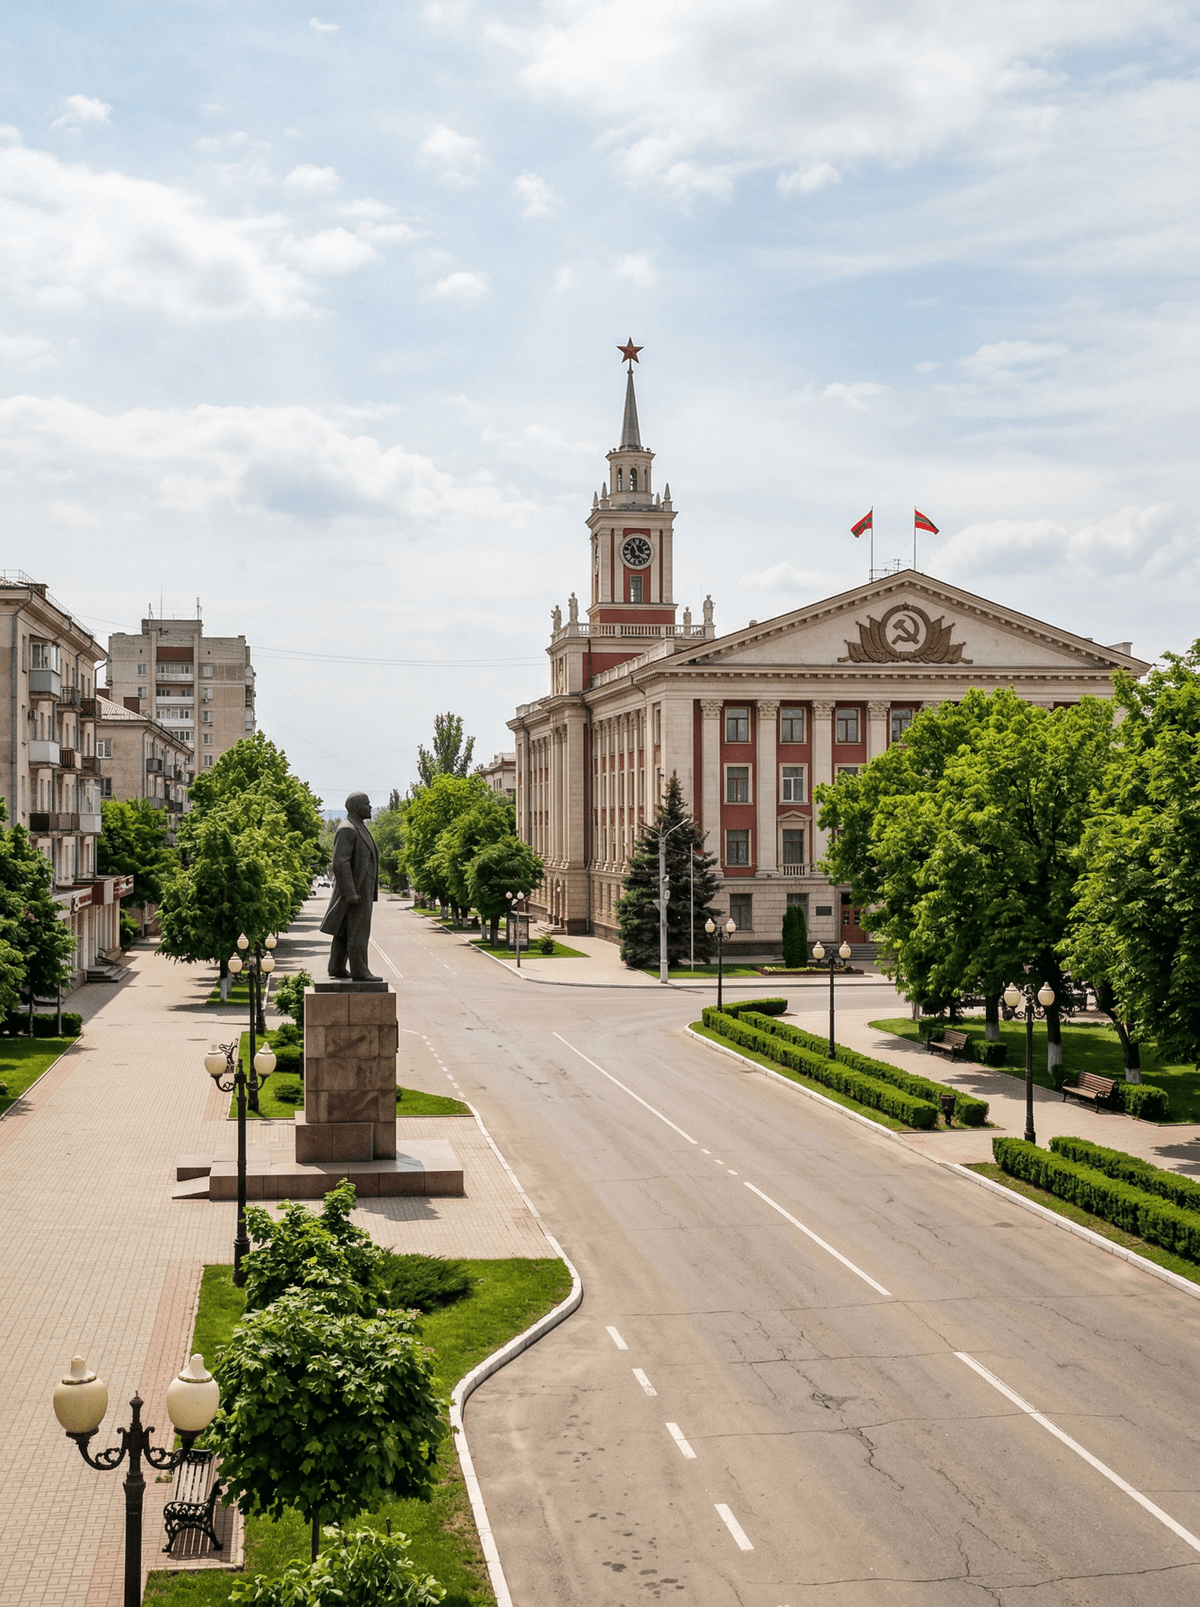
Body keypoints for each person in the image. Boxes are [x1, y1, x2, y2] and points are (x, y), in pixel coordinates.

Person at [319, 791, 381, 981]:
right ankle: (360, 970)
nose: (370, 807)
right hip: (355, 892)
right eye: (367, 804)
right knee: (358, 931)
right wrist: (350, 893)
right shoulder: (348, 829)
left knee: (344, 929)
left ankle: (336, 966)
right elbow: (340, 862)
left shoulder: (358, 826)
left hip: (361, 889)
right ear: (356, 807)